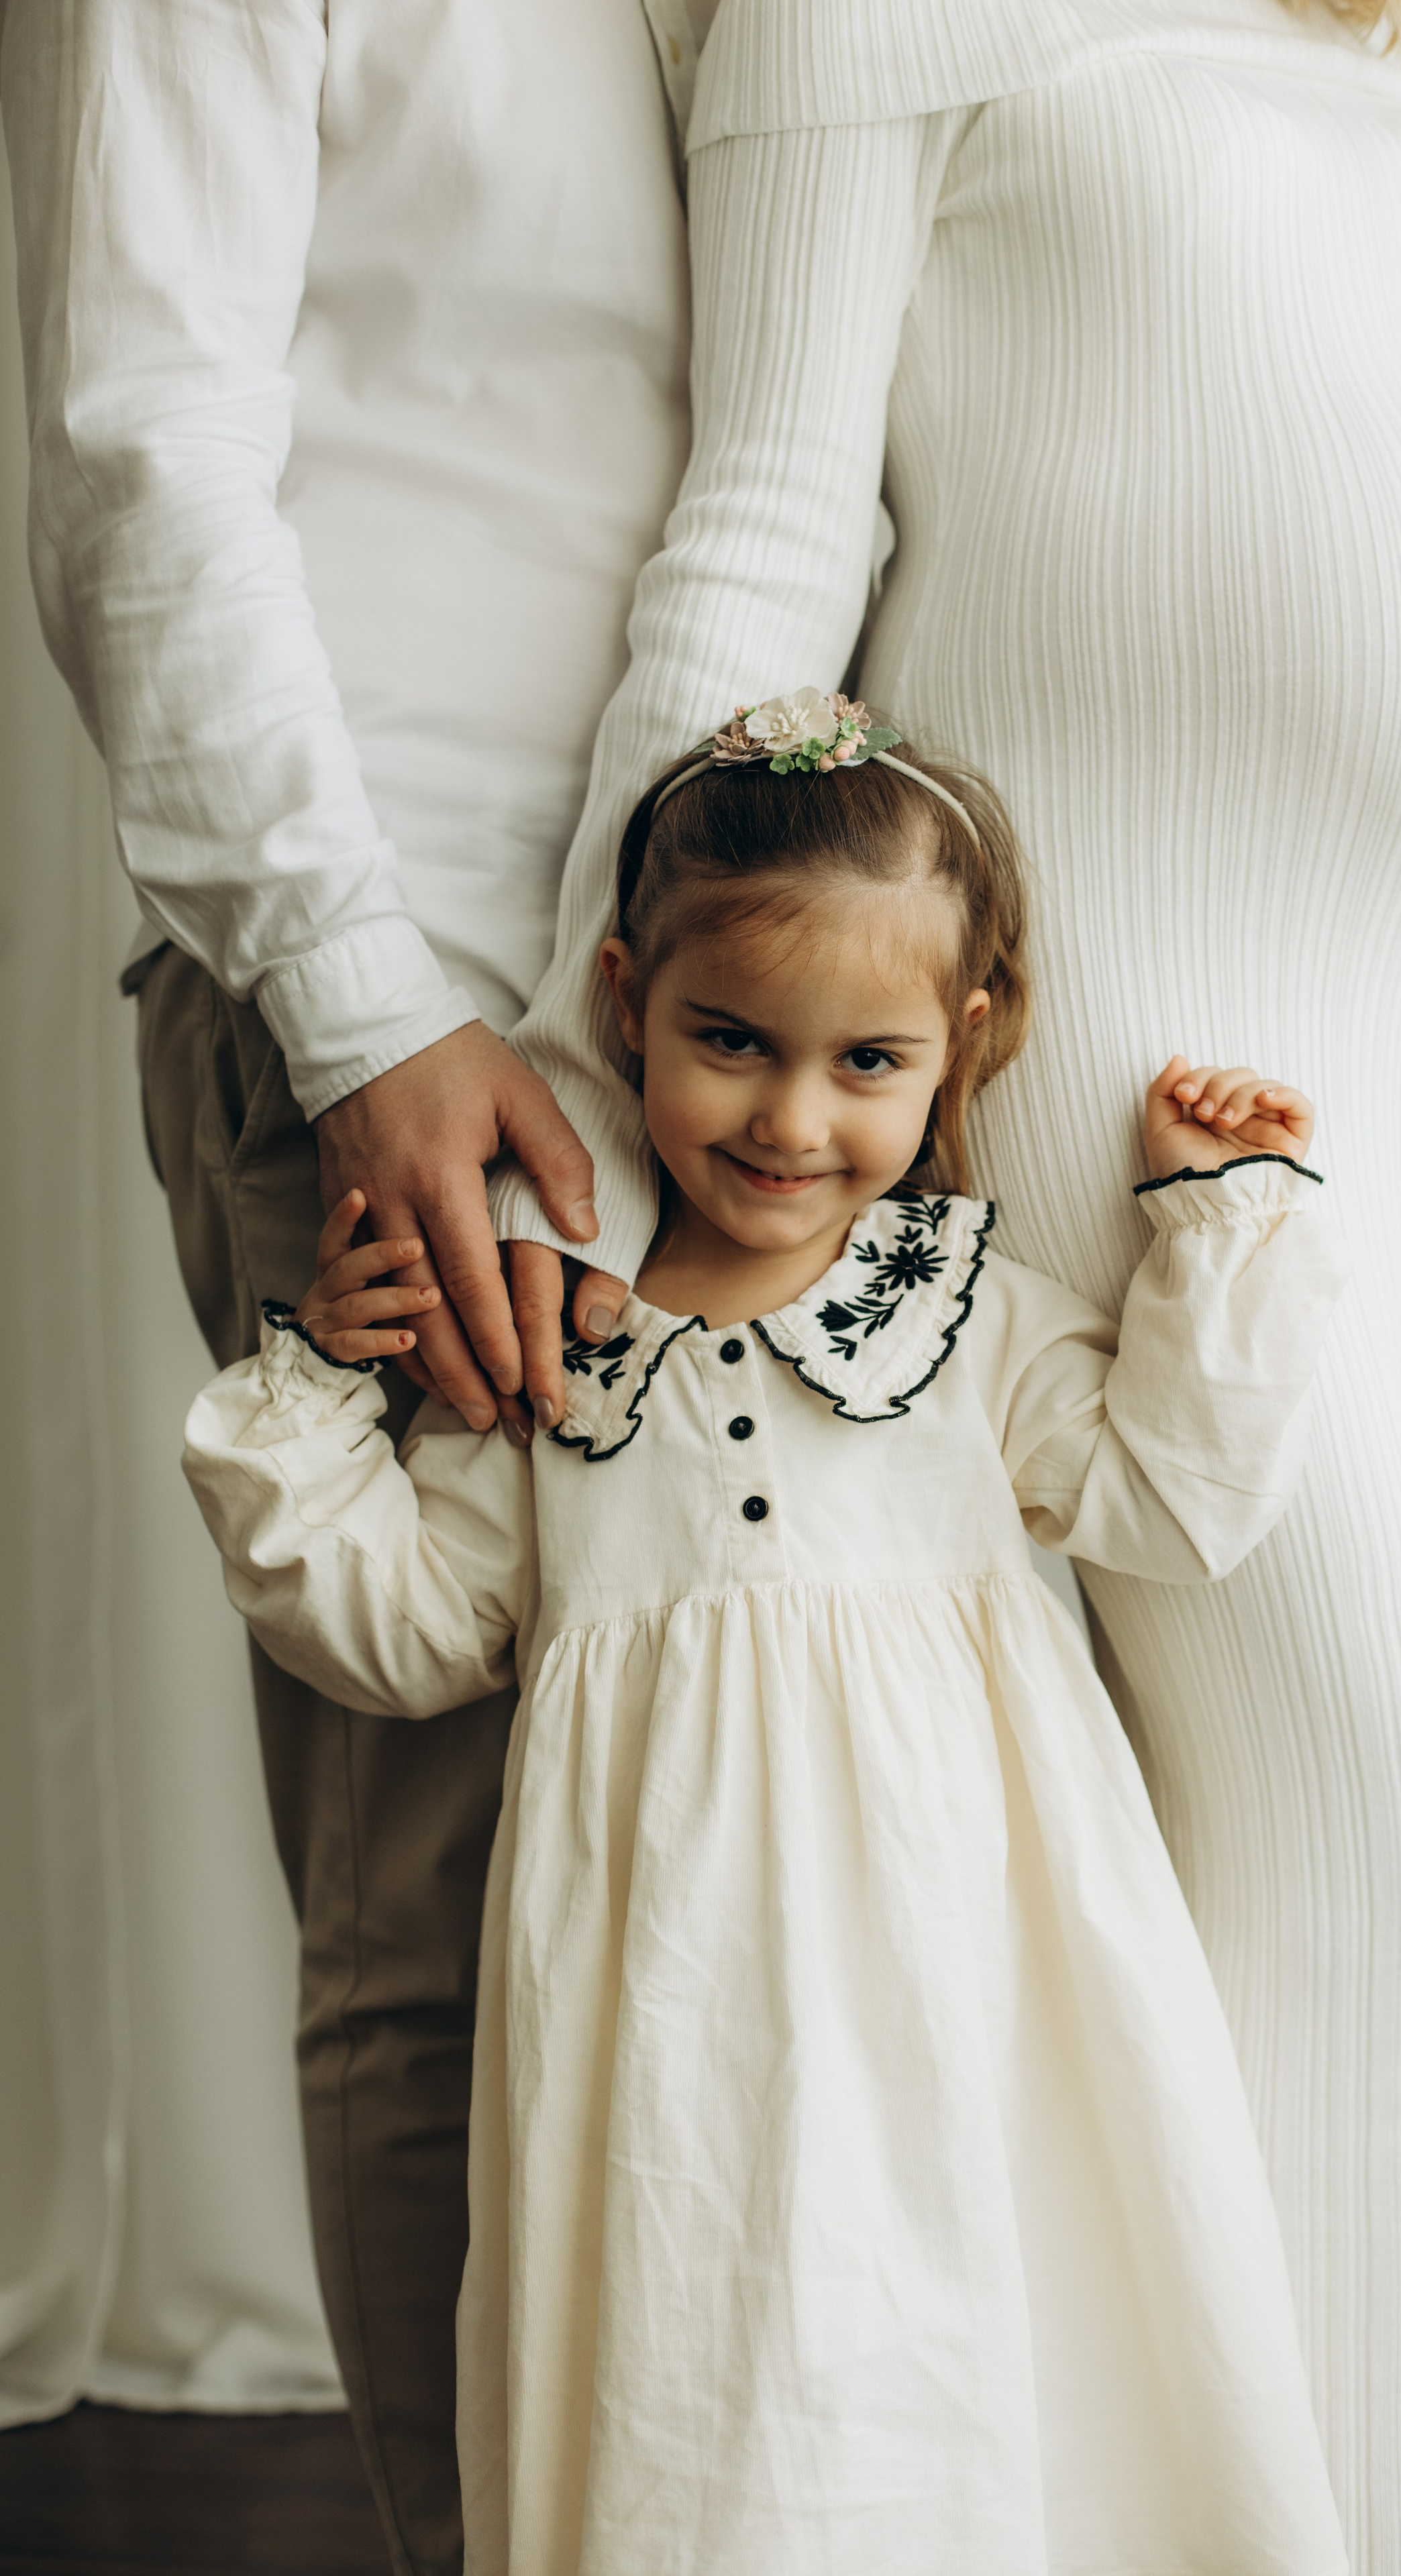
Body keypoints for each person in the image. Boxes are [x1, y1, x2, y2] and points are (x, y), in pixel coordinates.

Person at [483, 5, 1401, 2570]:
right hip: (1137, 998)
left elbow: (1347, 409)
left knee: (1378, 1856)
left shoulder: (1353, 36)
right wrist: (587, 1105)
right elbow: (772, 507)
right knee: (1382, 1818)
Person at [184, 702, 1353, 2575]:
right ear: (627, 997)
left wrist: (1215, 1222)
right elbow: (405, 1632)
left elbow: (1177, 1500)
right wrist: (321, 1388)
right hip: (667, 2007)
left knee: (977, 2315)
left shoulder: (955, 1314)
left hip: (959, 1956)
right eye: (731, 1042)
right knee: (703, 2349)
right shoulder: (561, 1354)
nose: (792, 1121)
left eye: (865, 1061)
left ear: (961, 1048)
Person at [1, 3, 713, 2566]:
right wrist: (359, 1013)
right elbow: (136, 451)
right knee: (441, 1907)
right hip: (400, 1012)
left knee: (752, 1882)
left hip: (762, 1026)